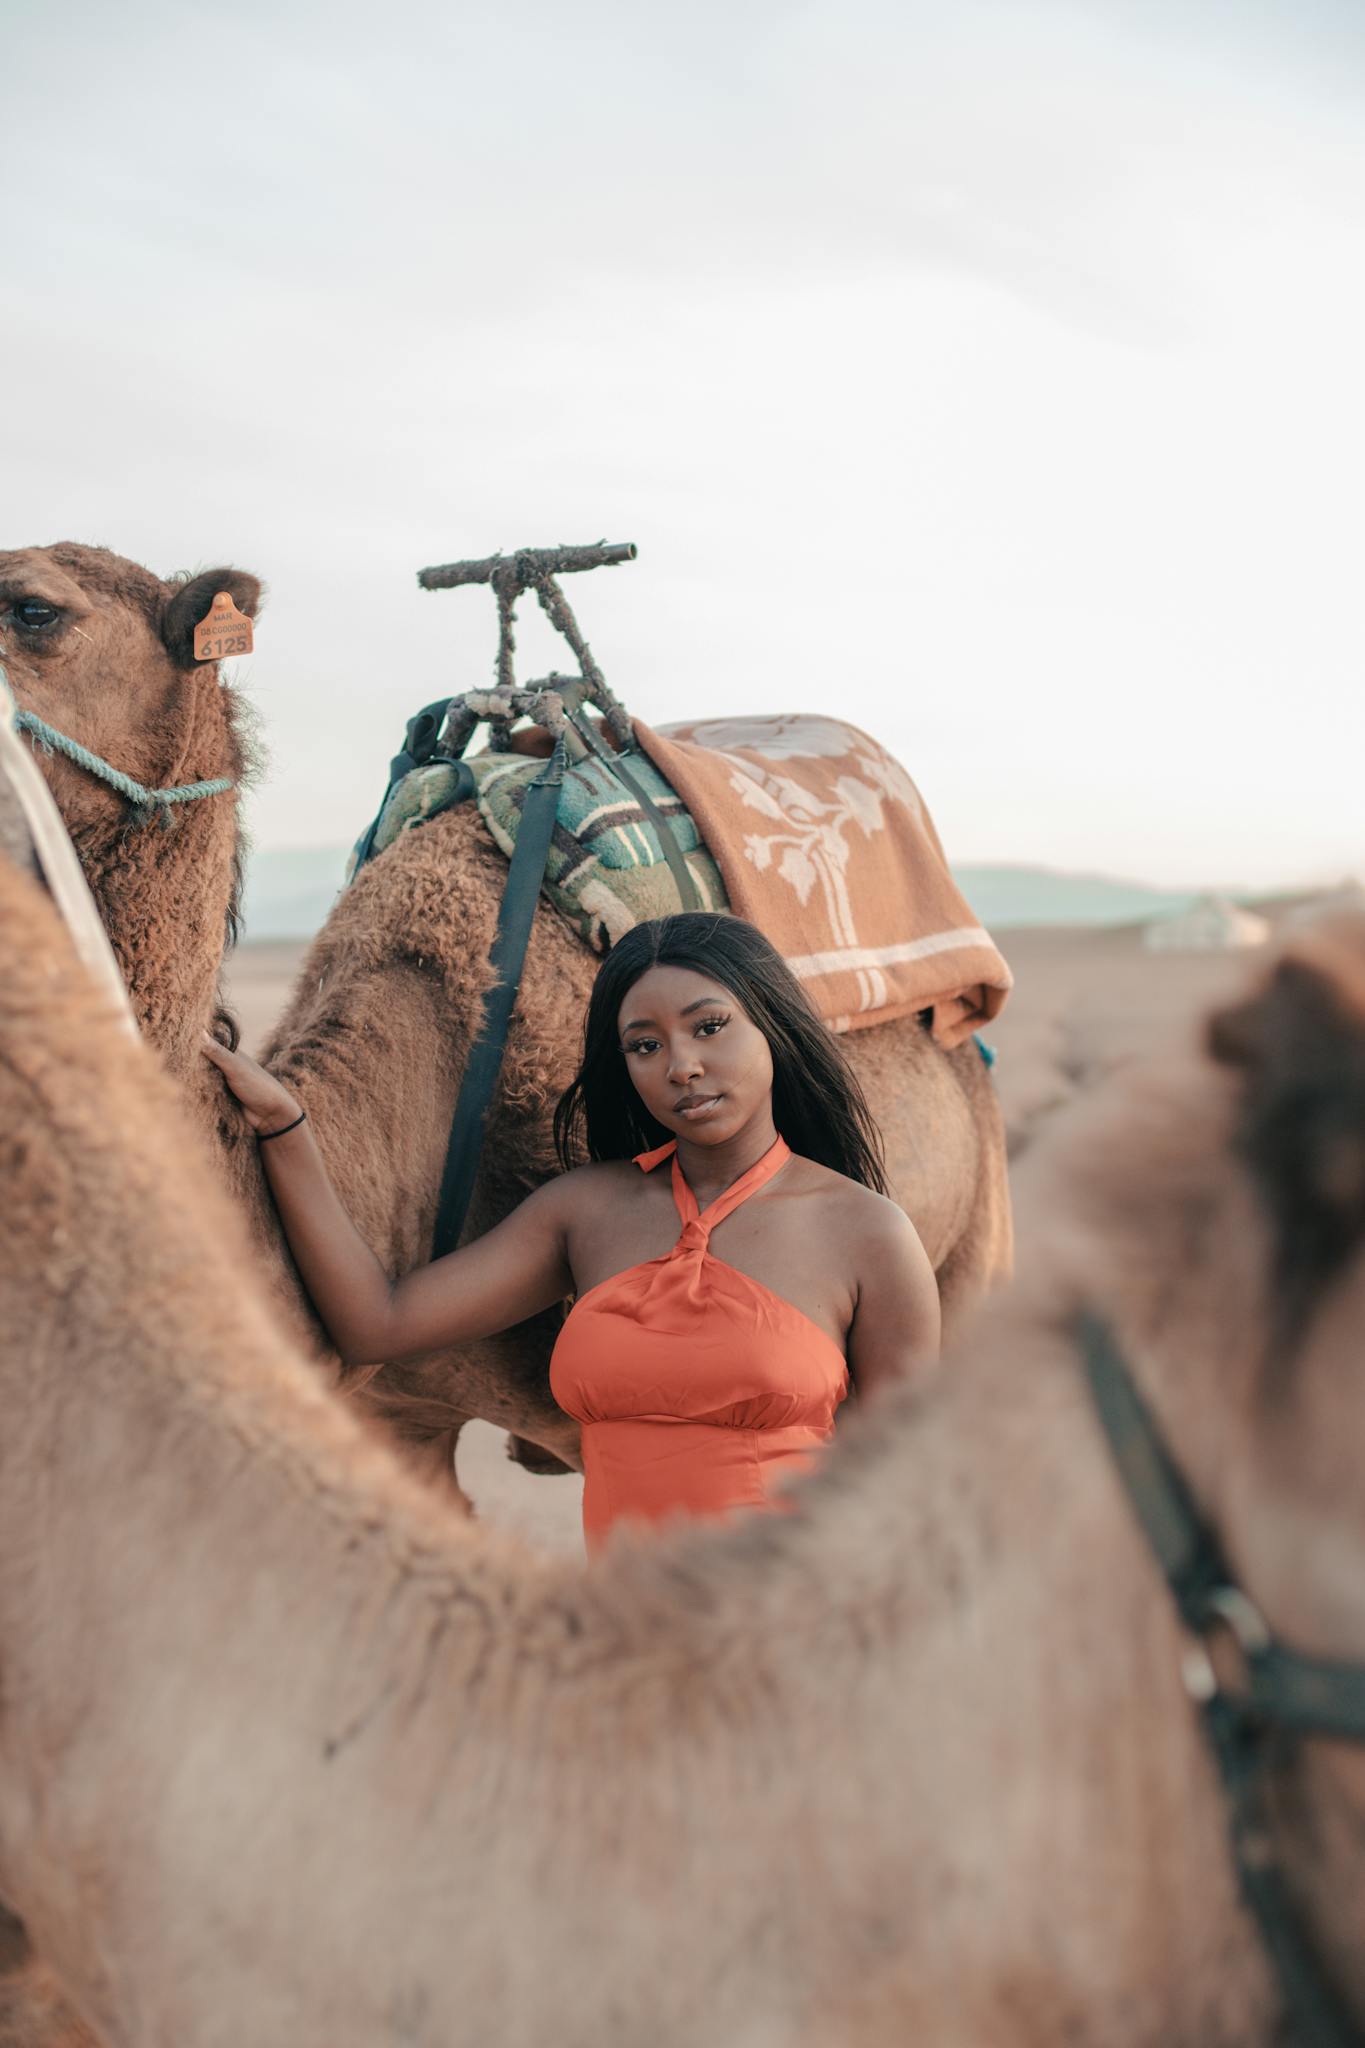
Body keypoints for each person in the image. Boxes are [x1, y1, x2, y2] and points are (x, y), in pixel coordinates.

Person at [203, 912, 940, 1547]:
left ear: (771, 1030)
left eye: (709, 1027)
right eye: (644, 1045)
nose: (681, 1066)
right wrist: (286, 1130)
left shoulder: (867, 1234)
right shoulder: (585, 1212)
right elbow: (378, 1325)